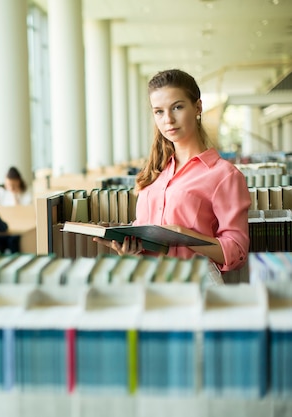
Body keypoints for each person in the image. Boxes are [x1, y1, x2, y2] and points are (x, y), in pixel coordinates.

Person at [94, 69, 250, 282]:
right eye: (159, 111)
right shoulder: (154, 172)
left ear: (198, 107)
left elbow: (237, 251)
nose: (168, 119)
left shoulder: (224, 175)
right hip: (147, 281)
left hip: (196, 282)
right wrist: (129, 249)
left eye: (177, 107)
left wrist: (182, 234)